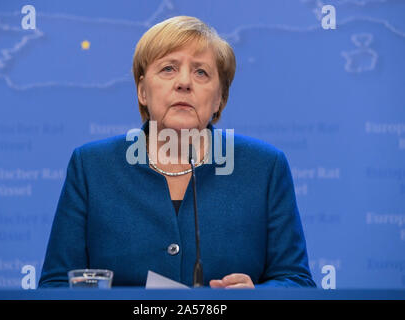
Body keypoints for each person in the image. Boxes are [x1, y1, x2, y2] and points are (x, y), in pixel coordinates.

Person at [38, 16, 316, 289]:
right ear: (142, 91)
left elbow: (298, 281)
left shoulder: (264, 167)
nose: (184, 82)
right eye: (168, 69)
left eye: (201, 72)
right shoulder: (91, 166)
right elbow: (56, 284)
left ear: (219, 98)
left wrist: (256, 295)